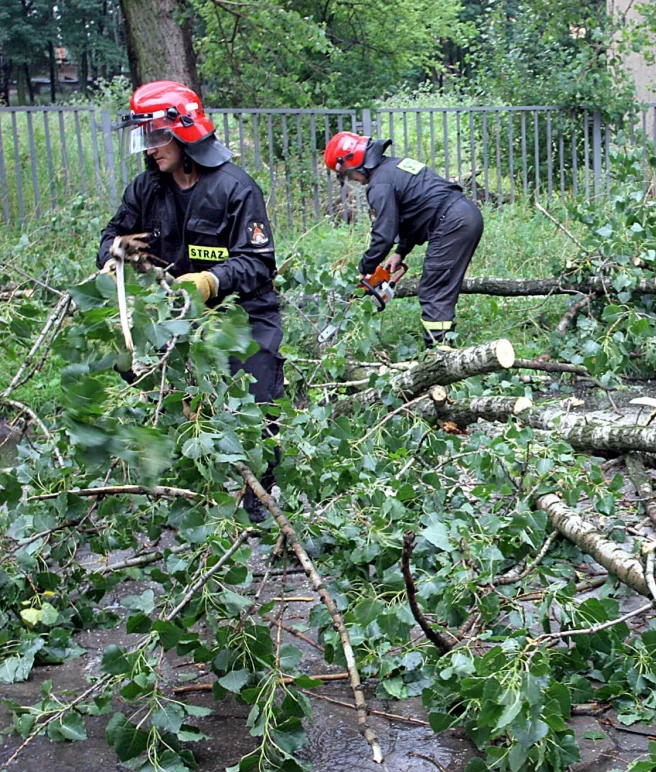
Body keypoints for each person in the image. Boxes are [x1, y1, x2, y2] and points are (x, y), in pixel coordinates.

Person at [98, 80, 283, 523]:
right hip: (172, 317)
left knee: (256, 403)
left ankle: (260, 498)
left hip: (240, 314)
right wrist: (115, 252)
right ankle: (192, 474)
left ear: (185, 132)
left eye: (157, 136)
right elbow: (111, 234)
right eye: (144, 138)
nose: (150, 149)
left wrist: (208, 280)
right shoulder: (147, 187)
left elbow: (259, 264)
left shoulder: (236, 188)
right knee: (130, 369)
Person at [322, 132, 483, 347]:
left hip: (451, 222)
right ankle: (444, 347)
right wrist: (400, 252)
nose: (354, 181)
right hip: (463, 214)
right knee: (441, 286)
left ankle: (440, 354)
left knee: (434, 290)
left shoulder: (380, 184)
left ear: (356, 163)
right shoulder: (394, 167)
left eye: (350, 176)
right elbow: (415, 212)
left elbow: (383, 235)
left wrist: (364, 268)